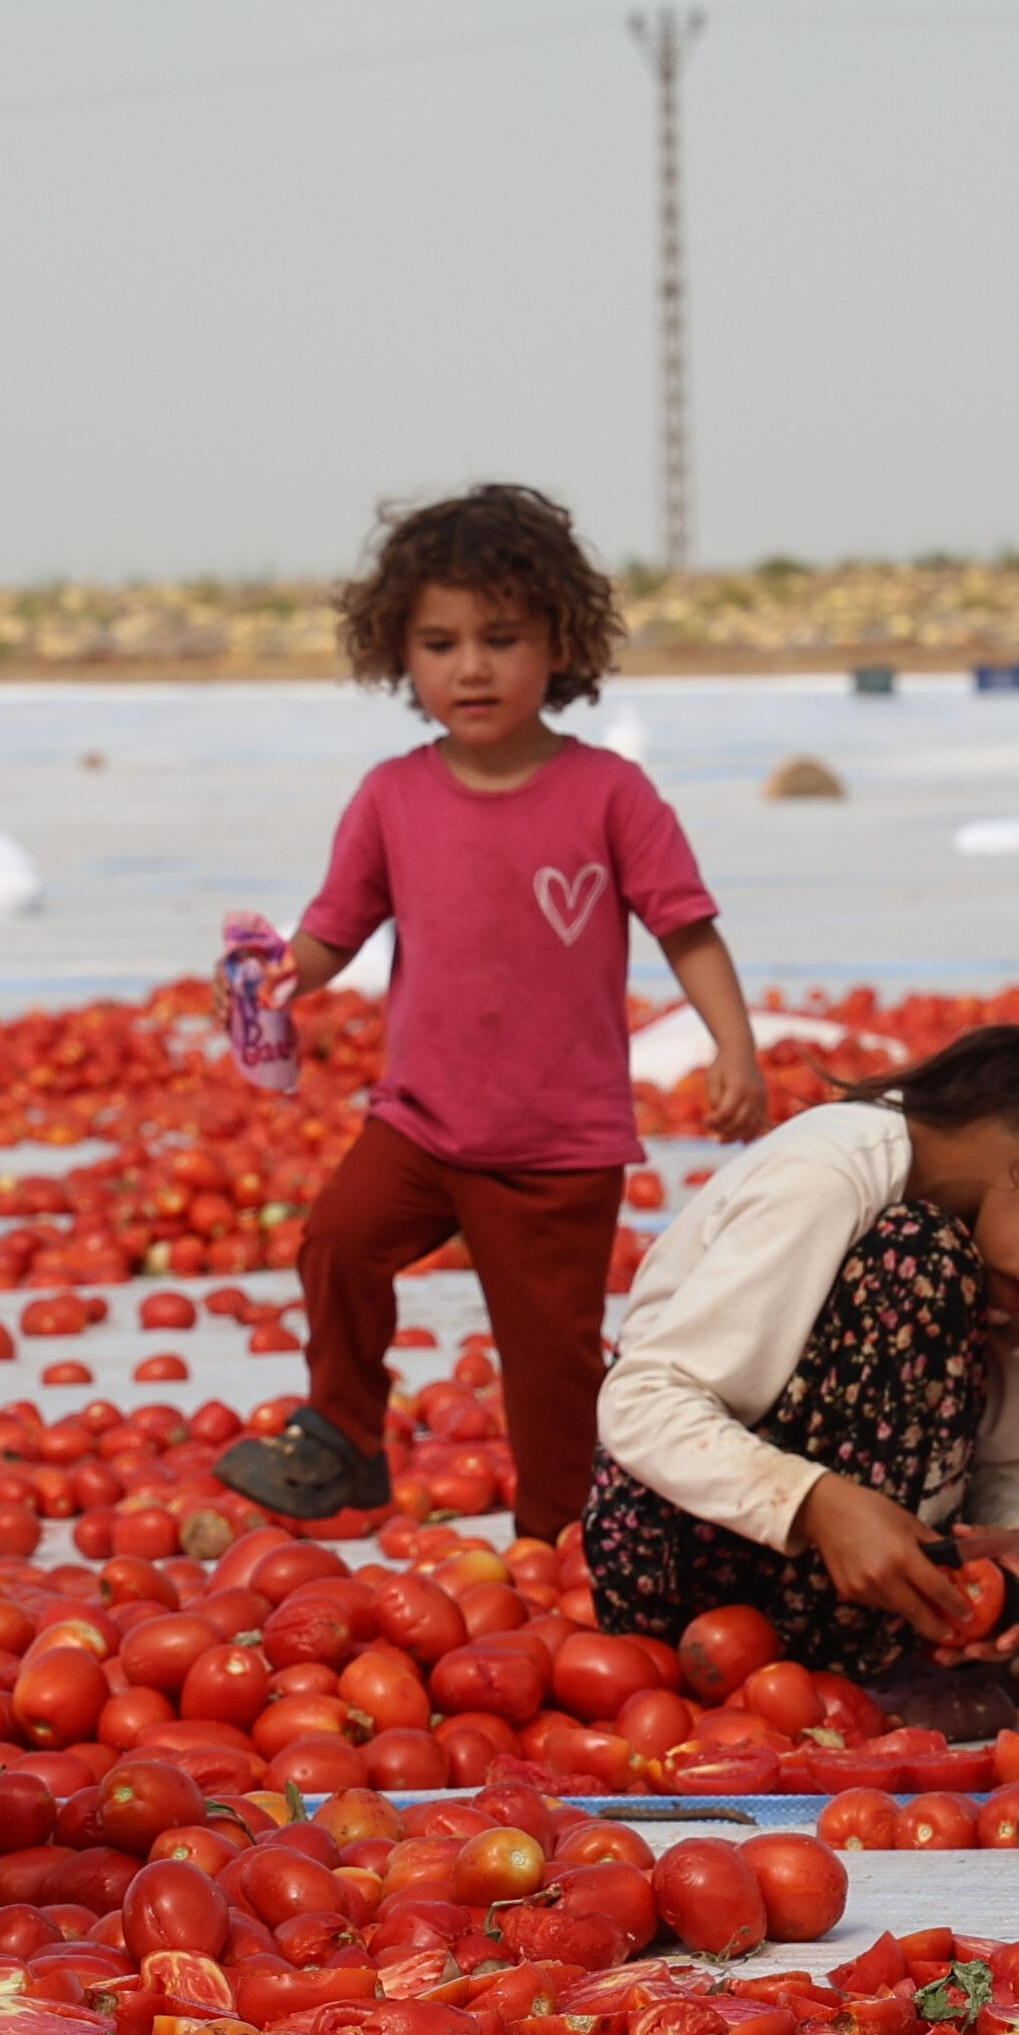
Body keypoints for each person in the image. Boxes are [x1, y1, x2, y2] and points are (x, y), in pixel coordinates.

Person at [217, 485, 762, 1544]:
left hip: (559, 1149)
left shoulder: (611, 796)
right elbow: (336, 926)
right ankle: (347, 1438)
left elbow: (686, 928)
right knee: (338, 1240)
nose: (471, 667)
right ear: (399, 657)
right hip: (420, 1121)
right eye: (439, 642)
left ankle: (559, 1543)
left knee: (552, 1360)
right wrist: (285, 973)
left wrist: (734, 1048)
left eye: (501, 638)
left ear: (559, 641)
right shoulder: (391, 797)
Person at [580, 1020, 1019, 1728]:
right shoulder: (831, 1174)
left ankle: (943, 1643)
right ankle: (869, 1660)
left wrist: (1010, 1562)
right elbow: (641, 1400)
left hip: (865, 1559)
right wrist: (814, 1504)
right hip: (688, 1565)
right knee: (920, 1257)